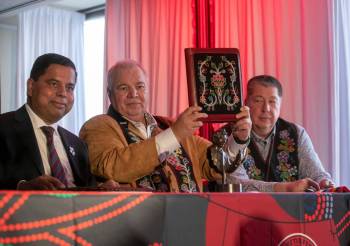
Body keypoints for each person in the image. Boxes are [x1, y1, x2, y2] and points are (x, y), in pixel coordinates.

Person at [79, 60, 251, 192]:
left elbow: (216, 166)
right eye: (123, 88)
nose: (133, 94)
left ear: (147, 91)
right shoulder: (98, 126)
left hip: (189, 222)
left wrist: (238, 139)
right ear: (109, 94)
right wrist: (174, 135)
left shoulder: (166, 124)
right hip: (135, 229)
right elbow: (112, 168)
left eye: (140, 87)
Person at [0, 53, 117, 190]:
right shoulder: (3, 128)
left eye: (70, 88)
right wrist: (22, 187)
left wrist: (101, 190)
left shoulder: (78, 145)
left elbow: (84, 195)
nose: (63, 93)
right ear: (31, 87)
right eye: (54, 84)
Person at [229, 75, 334, 192]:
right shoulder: (228, 135)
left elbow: (317, 174)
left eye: (272, 101)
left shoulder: (296, 134)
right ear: (246, 103)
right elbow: (236, 184)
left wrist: (324, 181)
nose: (266, 108)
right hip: (241, 209)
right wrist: (285, 188)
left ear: (280, 104)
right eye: (258, 100)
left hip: (292, 209)